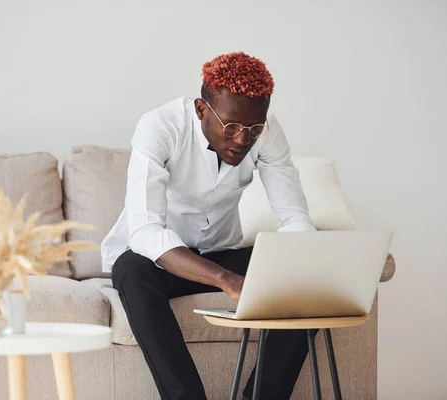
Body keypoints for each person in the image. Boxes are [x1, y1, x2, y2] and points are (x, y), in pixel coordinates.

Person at [102, 52, 316, 400]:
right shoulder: (160, 127)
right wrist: (224, 279)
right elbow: (145, 231)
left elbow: (294, 219)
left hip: (222, 250)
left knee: (305, 275)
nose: (242, 141)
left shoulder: (267, 132)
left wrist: (304, 262)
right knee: (130, 269)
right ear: (202, 109)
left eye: (253, 129)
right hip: (161, 262)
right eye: (231, 127)